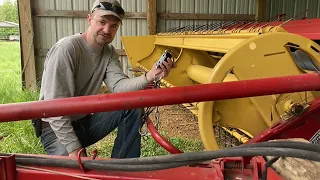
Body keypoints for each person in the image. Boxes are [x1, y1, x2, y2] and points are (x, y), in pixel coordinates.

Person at [35, 0, 174, 158]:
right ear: (89, 20)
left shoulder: (108, 52)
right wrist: (74, 150)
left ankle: (123, 168)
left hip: (83, 123)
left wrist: (150, 75)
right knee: (76, 174)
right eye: (102, 22)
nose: (107, 30)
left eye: (113, 26)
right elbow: (55, 108)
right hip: (55, 129)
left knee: (132, 104)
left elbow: (119, 87)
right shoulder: (67, 49)